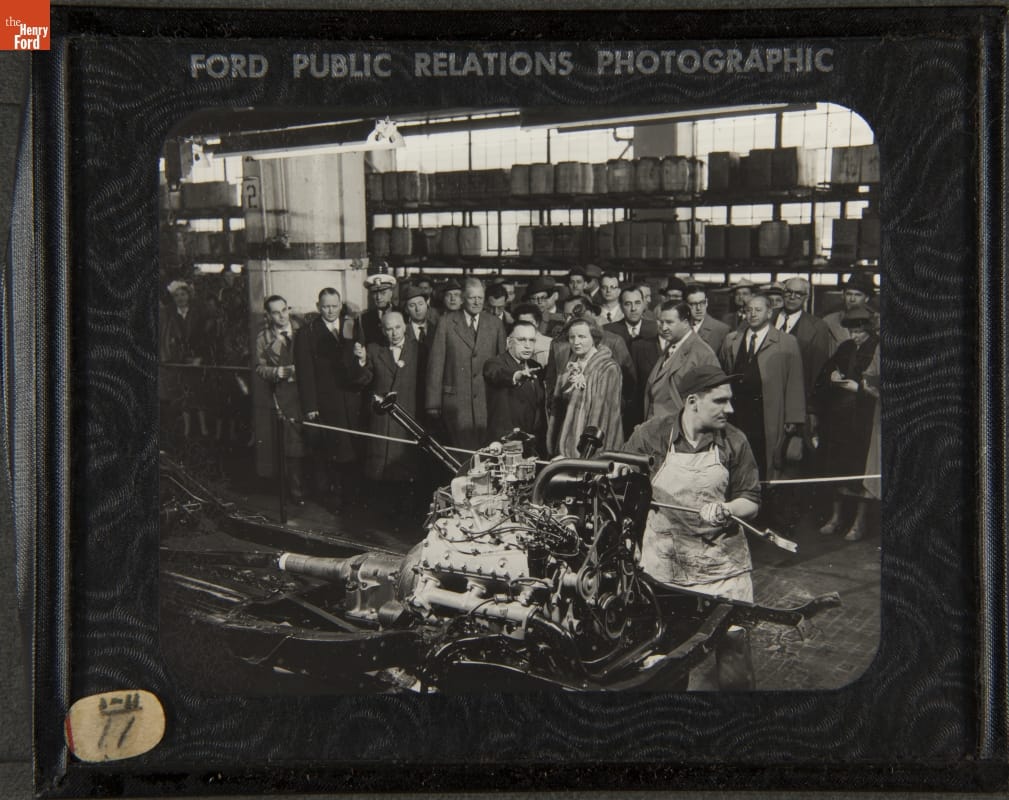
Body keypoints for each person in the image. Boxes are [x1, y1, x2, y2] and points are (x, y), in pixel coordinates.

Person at [622, 364, 761, 690]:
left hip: (722, 567)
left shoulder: (734, 440)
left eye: (730, 400)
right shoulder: (651, 435)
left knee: (734, 659)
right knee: (668, 663)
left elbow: (751, 501)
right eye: (720, 401)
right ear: (693, 402)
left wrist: (728, 509)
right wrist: (615, 468)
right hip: (668, 568)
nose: (730, 409)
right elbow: (621, 476)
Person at [718, 294, 805, 481]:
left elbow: (795, 382)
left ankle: (764, 496)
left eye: (758, 310)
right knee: (736, 456)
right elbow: (723, 375)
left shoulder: (786, 342)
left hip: (767, 413)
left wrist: (793, 417)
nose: (753, 314)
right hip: (736, 412)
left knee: (765, 460)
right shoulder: (731, 340)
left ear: (769, 313)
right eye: (748, 310)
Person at [812, 306, 879, 541]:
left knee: (860, 471)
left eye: (859, 332)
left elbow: (879, 385)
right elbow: (828, 370)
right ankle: (836, 517)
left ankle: (859, 522)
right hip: (840, 418)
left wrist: (858, 388)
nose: (854, 336)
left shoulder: (877, 348)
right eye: (852, 331)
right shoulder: (846, 347)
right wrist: (832, 376)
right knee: (837, 469)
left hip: (864, 419)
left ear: (869, 330)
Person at [293, 287, 363, 509]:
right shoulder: (307, 333)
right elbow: (304, 372)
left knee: (353, 449)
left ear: (340, 305)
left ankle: (353, 498)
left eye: (334, 306)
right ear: (318, 307)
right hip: (327, 403)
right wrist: (310, 406)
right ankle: (336, 499)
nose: (331, 310)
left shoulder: (352, 326)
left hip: (352, 399)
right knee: (333, 452)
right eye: (326, 306)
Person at [425, 278, 506, 450]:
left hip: (486, 402)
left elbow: (501, 365)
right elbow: (436, 364)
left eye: (480, 298)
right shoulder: (446, 323)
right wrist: (433, 403)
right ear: (462, 298)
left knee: (486, 452)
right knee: (461, 453)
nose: (477, 302)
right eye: (472, 298)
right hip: (455, 403)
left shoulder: (495, 324)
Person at [350, 311, 421, 485]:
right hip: (382, 420)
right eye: (389, 329)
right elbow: (362, 380)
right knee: (380, 470)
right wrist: (361, 361)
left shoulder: (418, 349)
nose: (394, 333)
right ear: (383, 330)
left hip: (407, 417)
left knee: (406, 469)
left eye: (397, 327)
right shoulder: (374, 349)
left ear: (405, 327)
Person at [255, 295, 306, 503]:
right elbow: (259, 368)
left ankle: (321, 489)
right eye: (276, 312)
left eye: (284, 310)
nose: (282, 316)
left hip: (309, 394)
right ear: (268, 315)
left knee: (315, 439)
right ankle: (297, 492)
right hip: (286, 397)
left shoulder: (303, 330)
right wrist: (277, 372)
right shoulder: (263, 338)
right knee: (293, 446)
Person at [547, 319, 623, 457]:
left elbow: (603, 418)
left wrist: (587, 455)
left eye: (582, 337)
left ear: (594, 338)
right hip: (564, 449)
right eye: (572, 337)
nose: (576, 342)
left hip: (590, 450)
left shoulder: (608, 368)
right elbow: (558, 412)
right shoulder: (568, 366)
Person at [641, 301, 719, 422]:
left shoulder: (702, 353)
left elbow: (713, 399)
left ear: (686, 323)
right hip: (659, 426)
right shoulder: (672, 346)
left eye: (669, 322)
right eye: (661, 322)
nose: (664, 328)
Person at [482, 320, 547, 454]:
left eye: (531, 340)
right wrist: (517, 376)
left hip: (532, 443)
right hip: (506, 443)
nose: (528, 345)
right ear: (509, 342)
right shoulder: (494, 363)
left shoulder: (536, 366)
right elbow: (497, 373)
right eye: (522, 340)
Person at [160, 279, 210, 439]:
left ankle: (203, 429)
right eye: (176, 296)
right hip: (178, 360)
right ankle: (187, 431)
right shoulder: (170, 316)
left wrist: (201, 357)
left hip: (196, 358)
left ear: (188, 295)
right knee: (182, 394)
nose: (180, 298)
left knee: (198, 393)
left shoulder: (198, 313)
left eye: (183, 294)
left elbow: (205, 337)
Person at [823, 273, 876, 354]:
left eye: (858, 295)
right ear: (843, 296)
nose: (852, 299)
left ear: (867, 298)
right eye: (849, 294)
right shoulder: (829, 321)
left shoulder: (877, 321)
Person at [604, 285, 659, 349]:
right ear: (621, 307)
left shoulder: (656, 329)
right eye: (628, 304)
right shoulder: (608, 331)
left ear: (643, 305)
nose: (633, 308)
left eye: (637, 303)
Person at [684, 283, 731, 356]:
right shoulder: (682, 327)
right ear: (686, 305)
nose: (698, 308)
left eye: (702, 303)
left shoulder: (721, 330)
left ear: (707, 302)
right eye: (693, 304)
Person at [358, 273, 397, 346]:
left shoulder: (402, 313)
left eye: (383, 293)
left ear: (391, 293)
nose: (378, 297)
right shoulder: (365, 318)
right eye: (375, 293)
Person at [512, 302, 553, 368]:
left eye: (530, 322)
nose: (526, 326)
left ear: (537, 323)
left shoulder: (550, 344)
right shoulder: (511, 344)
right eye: (522, 323)